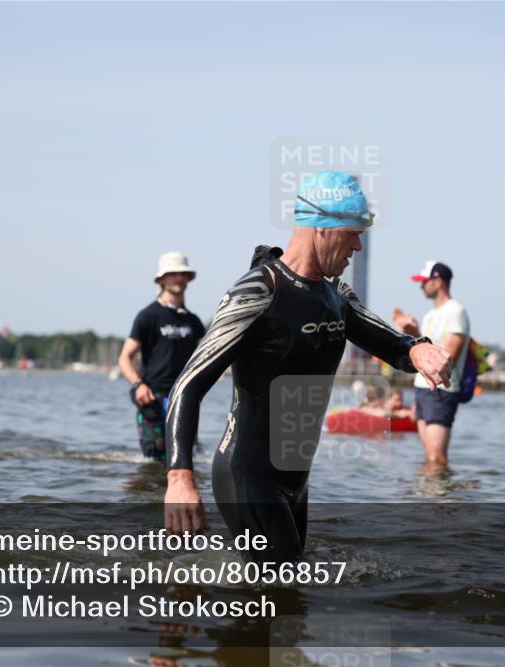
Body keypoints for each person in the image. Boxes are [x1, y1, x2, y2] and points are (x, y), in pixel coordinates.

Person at [162, 171, 453, 563]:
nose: (359, 246)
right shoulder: (257, 292)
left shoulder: (336, 296)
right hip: (247, 475)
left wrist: (416, 349)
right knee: (284, 593)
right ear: (320, 226)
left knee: (284, 596)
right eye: (353, 232)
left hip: (296, 482)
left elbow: (388, 341)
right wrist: (180, 478)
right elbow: (188, 385)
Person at [118, 252, 205, 462]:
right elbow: (124, 358)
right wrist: (138, 384)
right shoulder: (148, 316)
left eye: (183, 274)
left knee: (184, 458)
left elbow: (206, 357)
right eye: (173, 274)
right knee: (155, 461)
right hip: (153, 398)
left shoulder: (193, 321)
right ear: (162, 279)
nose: (179, 278)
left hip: (184, 397)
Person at [392, 261, 469, 467]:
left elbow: (448, 356)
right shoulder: (430, 315)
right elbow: (426, 351)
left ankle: (440, 498)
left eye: (424, 282)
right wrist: (412, 332)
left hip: (442, 390)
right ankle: (428, 497)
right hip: (422, 388)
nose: (421, 286)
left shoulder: (455, 311)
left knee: (437, 458)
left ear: (438, 281)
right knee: (429, 457)